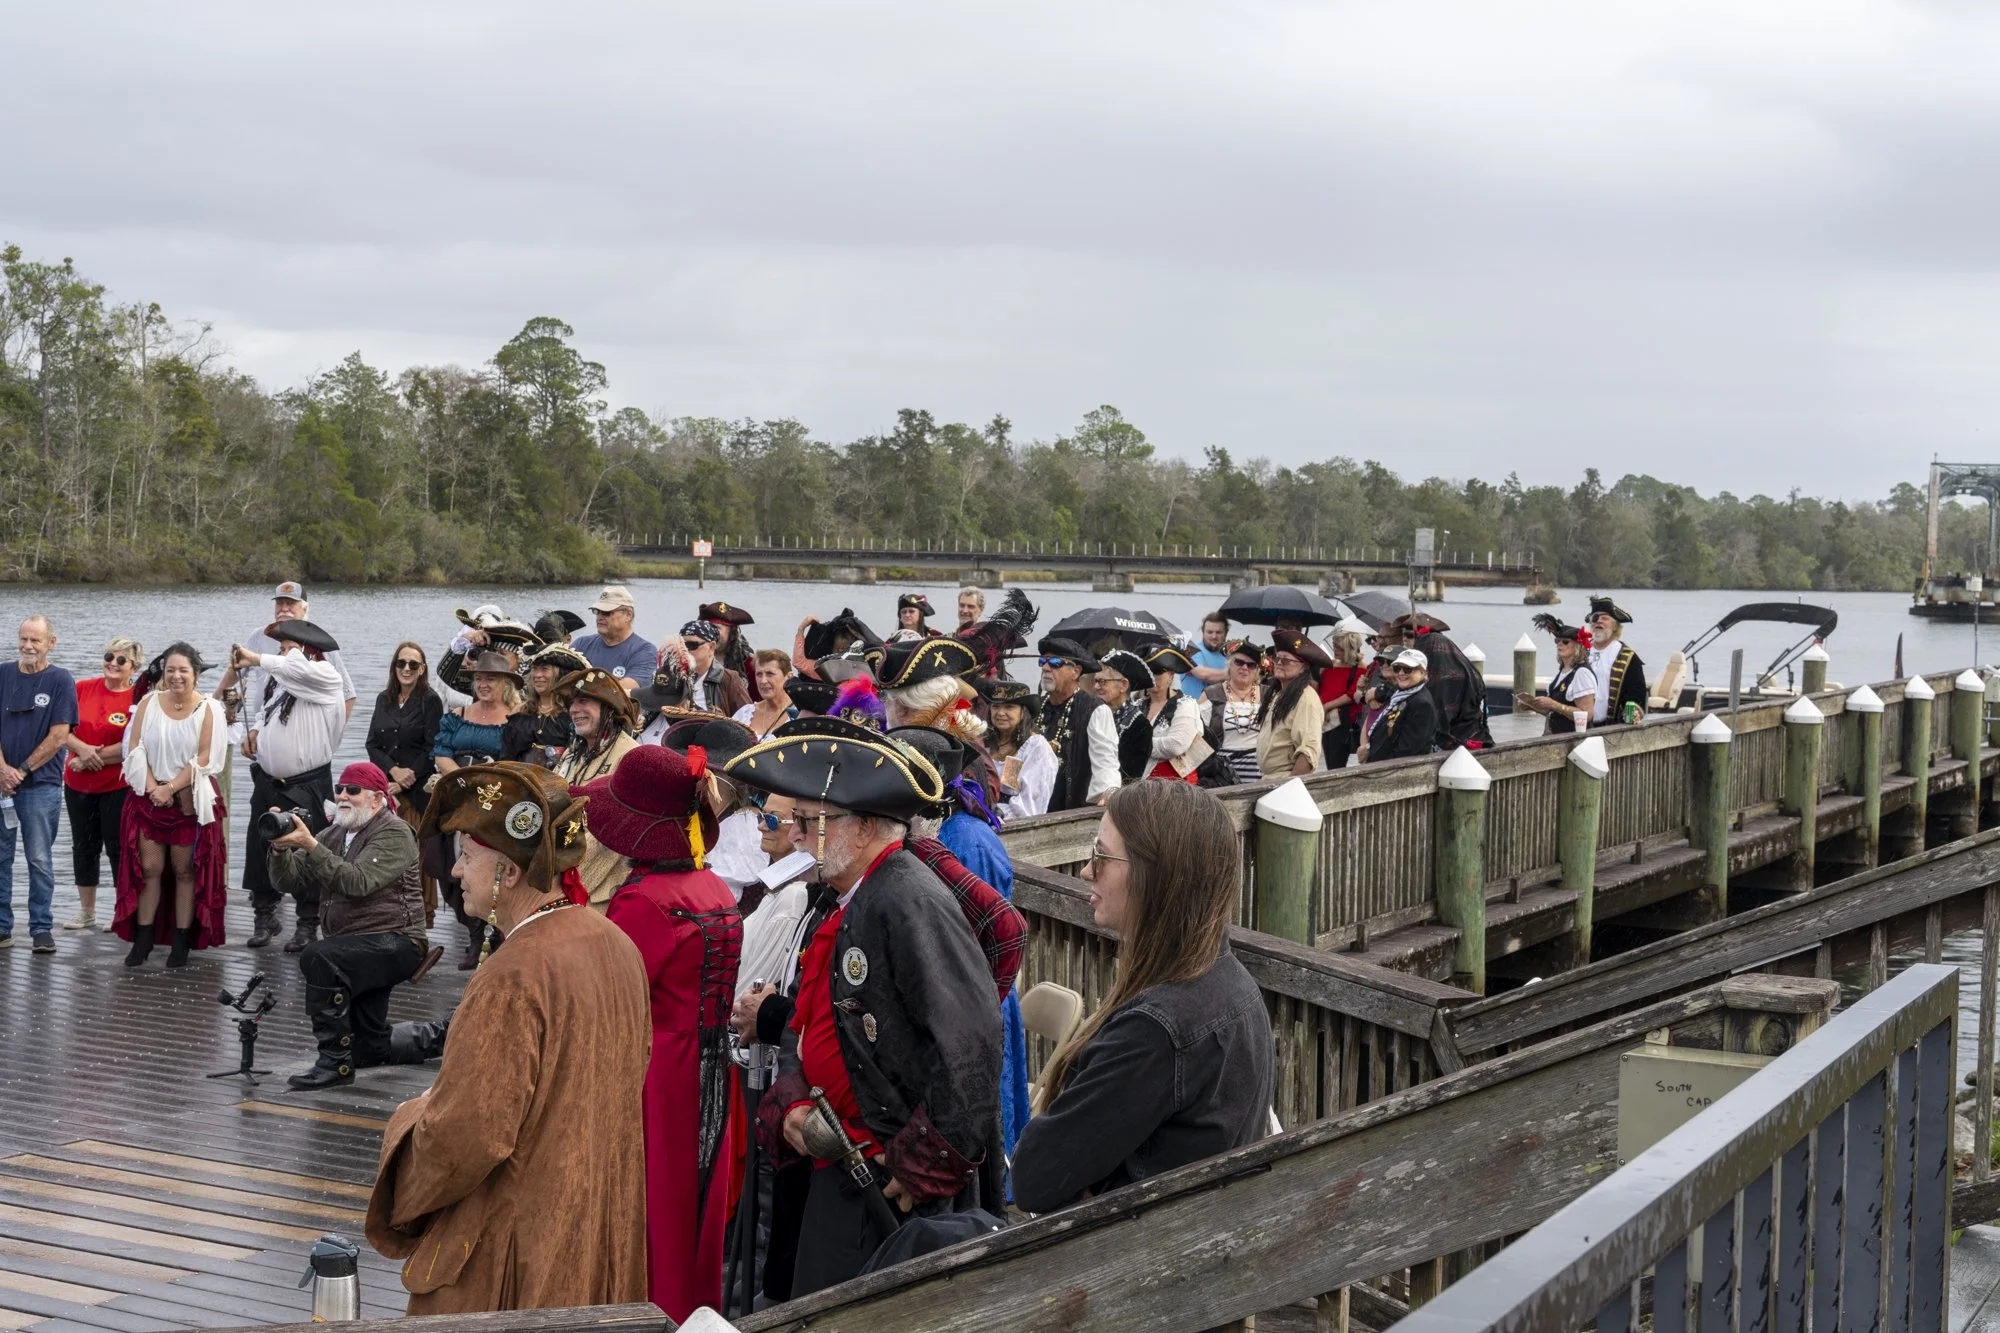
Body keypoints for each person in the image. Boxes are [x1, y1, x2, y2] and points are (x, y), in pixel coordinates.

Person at [720, 721, 1004, 1295]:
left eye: (811, 822)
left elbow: (971, 1043)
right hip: (846, 1164)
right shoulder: (853, 897)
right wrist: (796, 1100)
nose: (798, 837)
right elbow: (812, 1020)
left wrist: (919, 1165)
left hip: (889, 1182)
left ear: (867, 826)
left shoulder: (907, 900)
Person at [366, 763, 648, 1315]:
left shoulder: (512, 976)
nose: (456, 872)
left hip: (515, 1248)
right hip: (594, 1225)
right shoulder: (616, 943)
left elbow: (469, 1133)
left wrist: (410, 1120)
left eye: (468, 856)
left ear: (510, 873)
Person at [1011, 780, 1273, 1213]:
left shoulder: (1155, 1031)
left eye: (1102, 855)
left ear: (1156, 876)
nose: (1087, 870)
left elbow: (1032, 1179)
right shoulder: (1232, 981)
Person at [582, 744, 743, 1321]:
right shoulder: (714, 889)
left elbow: (607, 1004)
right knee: (696, 1216)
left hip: (660, 1078)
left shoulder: (644, 901)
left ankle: (656, 1318)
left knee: (657, 1218)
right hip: (712, 1069)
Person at [889, 726, 1031, 1163]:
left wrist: (972, 1010)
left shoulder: (967, 839)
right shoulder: (925, 838)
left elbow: (997, 933)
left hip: (978, 999)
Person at [267, 762, 444, 1090]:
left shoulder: (395, 832)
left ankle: (333, 1063)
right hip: (353, 945)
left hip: (397, 942)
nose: (343, 796)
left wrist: (310, 846)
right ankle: (448, 1033)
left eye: (353, 790)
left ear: (377, 798)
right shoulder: (332, 834)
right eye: (339, 789)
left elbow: (358, 882)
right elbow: (288, 881)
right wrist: (279, 849)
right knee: (368, 1048)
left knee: (319, 956)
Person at [235, 620, 347, 953]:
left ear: (306, 651)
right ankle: (264, 915)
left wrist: (257, 658)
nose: (280, 654)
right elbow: (267, 710)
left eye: (286, 648)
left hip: (307, 782)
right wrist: (255, 731)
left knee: (307, 850)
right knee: (259, 847)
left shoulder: (325, 676)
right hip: (268, 780)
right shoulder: (283, 680)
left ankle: (307, 923)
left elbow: (295, 669)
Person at [114, 644, 227, 968]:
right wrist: (154, 787)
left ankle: (181, 941)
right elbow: (135, 747)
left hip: (188, 800)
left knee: (184, 871)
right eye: (170, 670)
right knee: (149, 868)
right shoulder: (148, 702)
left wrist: (171, 788)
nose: (176, 676)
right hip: (149, 797)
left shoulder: (209, 708)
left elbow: (205, 757)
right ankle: (144, 938)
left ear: (195, 673)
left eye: (183, 670)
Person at [431, 650, 523, 965]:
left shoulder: (515, 718)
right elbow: (441, 752)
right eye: (480, 678)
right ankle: (470, 926)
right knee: (449, 864)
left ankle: (485, 936)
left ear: (505, 683)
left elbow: (517, 760)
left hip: (496, 799)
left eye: (491, 679)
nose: (484, 684)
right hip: (457, 797)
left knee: (486, 865)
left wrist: (485, 785)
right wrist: (461, 780)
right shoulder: (458, 714)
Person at [0, 615, 76, 954]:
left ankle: (41, 928)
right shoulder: (3, 674)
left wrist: (21, 771)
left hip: (40, 785)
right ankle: (2, 927)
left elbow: (59, 735)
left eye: (36, 640)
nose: (28, 646)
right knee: (0, 858)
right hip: (1, 783)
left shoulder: (60, 679)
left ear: (51, 643)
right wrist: (3, 770)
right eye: (24, 639)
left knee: (40, 860)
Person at [62, 635, 141, 931]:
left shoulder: (138, 698)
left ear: (134, 667)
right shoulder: (81, 688)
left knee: (119, 849)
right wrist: (82, 751)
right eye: (109, 656)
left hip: (117, 786)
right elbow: (60, 729)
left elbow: (133, 743)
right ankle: (87, 911)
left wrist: (89, 759)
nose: (113, 663)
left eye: (121, 660)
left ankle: (123, 911)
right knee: (83, 847)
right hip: (77, 784)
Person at [217, 582, 359, 746]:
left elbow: (348, 695)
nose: (284, 609)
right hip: (263, 731)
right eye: (279, 603)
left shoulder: (320, 642)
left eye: (290, 603)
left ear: (305, 609)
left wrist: (331, 737)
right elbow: (237, 669)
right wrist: (214, 700)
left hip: (306, 739)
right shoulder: (259, 636)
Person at [553, 668, 644, 908]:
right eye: (573, 703)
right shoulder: (574, 753)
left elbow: (619, 828)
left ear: (608, 708)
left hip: (601, 891)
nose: (574, 710)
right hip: (561, 873)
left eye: (583, 701)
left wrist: (566, 877)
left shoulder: (630, 755)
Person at [1382, 612, 1493, 750]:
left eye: (1410, 635)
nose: (1405, 639)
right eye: (1403, 634)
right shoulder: (1444, 663)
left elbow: (1436, 717)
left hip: (1461, 744)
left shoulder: (1443, 675)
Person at [1037, 637, 1118, 811]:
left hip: (1071, 812)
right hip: (1032, 808)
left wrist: (1108, 791)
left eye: (1055, 662)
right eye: (1042, 661)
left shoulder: (1095, 709)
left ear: (1075, 672)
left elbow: (1105, 758)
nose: (1046, 668)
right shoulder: (1035, 707)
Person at [366, 642, 444, 817]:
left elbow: (432, 748)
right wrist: (393, 770)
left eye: (413, 664)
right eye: (401, 663)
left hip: (418, 786)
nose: (406, 669)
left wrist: (405, 781)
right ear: (395, 667)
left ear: (422, 669)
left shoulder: (431, 701)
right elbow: (372, 745)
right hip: (384, 782)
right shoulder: (383, 699)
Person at [982, 678, 1055, 820]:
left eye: (1009, 707)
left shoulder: (1036, 748)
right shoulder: (984, 743)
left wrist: (992, 817)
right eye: (995, 707)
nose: (1000, 713)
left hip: (1015, 825)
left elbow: (1031, 807)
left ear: (1023, 713)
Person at [1259, 629, 1328, 779]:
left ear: (1303, 668)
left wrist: (1288, 787)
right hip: (1271, 779)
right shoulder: (1280, 694)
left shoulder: (1306, 699)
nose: (1279, 663)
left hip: (1285, 780)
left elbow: (1307, 753)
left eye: (1286, 660)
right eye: (1277, 658)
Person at [1140, 643, 1208, 782]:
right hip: (1138, 784)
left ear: (1171, 676)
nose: (1152, 676)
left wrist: (1136, 745)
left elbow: (1176, 745)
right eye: (1148, 670)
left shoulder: (1185, 705)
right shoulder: (1137, 706)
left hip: (1174, 786)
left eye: (1158, 671)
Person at [1203, 640, 1267, 785]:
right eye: (1239, 662)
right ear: (1230, 665)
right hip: (1222, 772)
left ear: (1257, 671)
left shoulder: (1268, 694)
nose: (1245, 668)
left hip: (1259, 771)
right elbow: (1199, 734)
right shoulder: (1211, 693)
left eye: (1251, 665)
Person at [515, 641, 588, 768]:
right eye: (534, 669)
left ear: (560, 675)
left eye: (545, 669)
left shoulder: (572, 714)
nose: (537, 675)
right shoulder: (521, 710)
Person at [573, 585, 657, 693]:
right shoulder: (581, 644)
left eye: (607, 612)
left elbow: (623, 689)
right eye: (597, 611)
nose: (600, 617)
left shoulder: (645, 651)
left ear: (628, 615)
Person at [1523, 617, 1599, 734]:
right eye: (1557, 640)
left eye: (1565, 641)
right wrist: (1531, 706)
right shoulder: (1563, 671)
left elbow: (1586, 715)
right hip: (1555, 736)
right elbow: (1555, 713)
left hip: (1574, 739)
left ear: (1578, 646)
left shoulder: (1582, 673)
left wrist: (1553, 704)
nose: (1559, 644)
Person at [1365, 648, 1442, 763]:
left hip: (1391, 769)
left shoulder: (1421, 704)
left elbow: (1408, 751)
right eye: (1397, 668)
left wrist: (1377, 762)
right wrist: (1369, 749)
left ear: (1422, 672)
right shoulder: (1401, 693)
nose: (1401, 673)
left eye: (1407, 669)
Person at [658, 621, 751, 716]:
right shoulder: (670, 675)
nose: (685, 650)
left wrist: (692, 710)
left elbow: (747, 718)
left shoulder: (729, 679)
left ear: (711, 647)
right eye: (681, 645)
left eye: (692, 645)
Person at [1091, 650, 1156, 784]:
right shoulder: (1094, 714)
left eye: (1102, 681)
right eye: (1096, 681)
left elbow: (1130, 778)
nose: (1096, 686)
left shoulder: (1139, 726)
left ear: (1123, 685)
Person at [1585, 596, 1648, 725]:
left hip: (1610, 726)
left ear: (1615, 626)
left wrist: (1633, 713)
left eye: (1605, 618)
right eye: (1595, 618)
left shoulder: (1628, 657)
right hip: (1578, 723)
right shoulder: (1580, 651)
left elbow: (1636, 693)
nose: (1599, 621)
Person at [1318, 619, 1369, 770]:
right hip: (1326, 720)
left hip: (1344, 721)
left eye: (1338, 648)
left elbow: (1352, 693)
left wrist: (1328, 705)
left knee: (1338, 762)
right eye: (1334, 646)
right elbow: (1320, 686)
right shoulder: (1329, 665)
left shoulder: (1361, 668)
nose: (1335, 650)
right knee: (1330, 760)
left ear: (1348, 649)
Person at [701, 601, 759, 703]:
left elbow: (758, 701)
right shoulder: (694, 660)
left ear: (731, 632)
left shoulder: (749, 665)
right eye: (708, 628)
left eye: (717, 628)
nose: (711, 633)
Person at [736, 649, 797, 739]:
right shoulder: (745, 714)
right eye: (759, 674)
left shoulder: (800, 715)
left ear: (788, 677)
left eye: (770, 674)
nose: (763, 681)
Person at [1181, 613, 1230, 699]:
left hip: (1221, 706)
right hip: (1193, 706)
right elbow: (1203, 674)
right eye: (1209, 632)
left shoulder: (1230, 654)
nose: (1214, 636)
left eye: (1218, 632)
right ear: (1203, 632)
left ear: (1226, 633)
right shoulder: (1191, 649)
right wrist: (1233, 674)